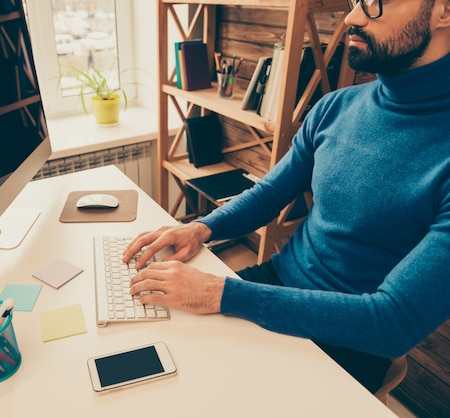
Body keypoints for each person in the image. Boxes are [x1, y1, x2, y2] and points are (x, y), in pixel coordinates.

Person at [123, 0, 450, 393]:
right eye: (355, 1)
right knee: (152, 354)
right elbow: (268, 195)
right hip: (274, 283)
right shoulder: (335, 107)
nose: (352, 17)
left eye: (377, 3)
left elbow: (392, 324)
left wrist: (221, 293)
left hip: (347, 339)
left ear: (443, 12)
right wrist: (202, 228)